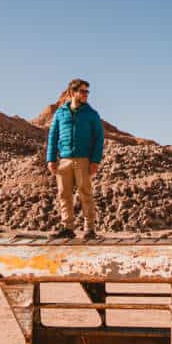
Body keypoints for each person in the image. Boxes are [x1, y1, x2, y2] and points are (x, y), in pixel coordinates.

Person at [46, 78, 105, 239]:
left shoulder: (92, 114)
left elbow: (99, 139)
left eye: (87, 92)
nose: (86, 94)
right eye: (83, 91)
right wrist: (51, 159)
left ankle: (90, 229)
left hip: (83, 160)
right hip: (64, 160)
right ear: (73, 92)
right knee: (64, 194)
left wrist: (95, 161)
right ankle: (68, 228)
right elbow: (53, 136)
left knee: (85, 193)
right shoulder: (60, 113)